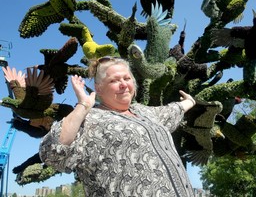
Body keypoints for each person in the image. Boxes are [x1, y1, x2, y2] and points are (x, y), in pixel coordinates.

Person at [39, 56, 196, 197]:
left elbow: (171, 111)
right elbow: (52, 151)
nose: (123, 85)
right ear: (98, 88)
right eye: (114, 80)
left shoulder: (143, 112)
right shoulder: (90, 119)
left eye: (127, 78)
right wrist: (83, 105)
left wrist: (190, 102)